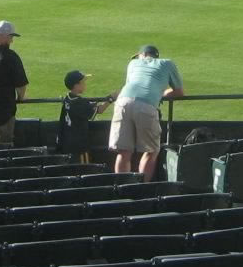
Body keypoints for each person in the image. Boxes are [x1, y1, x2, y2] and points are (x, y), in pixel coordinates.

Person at [109, 44, 186, 180]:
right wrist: (161, 93)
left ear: (143, 55)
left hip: (122, 103)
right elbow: (179, 92)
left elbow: (130, 85)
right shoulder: (167, 63)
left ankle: (120, 189)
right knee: (151, 150)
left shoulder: (133, 63)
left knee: (124, 152)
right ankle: (142, 189)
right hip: (146, 105)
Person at [57, 70, 112, 163]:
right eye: (83, 82)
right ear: (76, 85)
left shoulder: (67, 99)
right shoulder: (79, 102)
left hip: (67, 143)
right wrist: (111, 99)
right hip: (79, 147)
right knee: (83, 169)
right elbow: (100, 110)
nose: (85, 84)